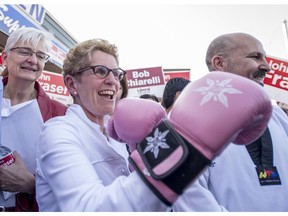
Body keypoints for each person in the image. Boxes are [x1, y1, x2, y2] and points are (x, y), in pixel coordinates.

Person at [35, 37, 272, 212]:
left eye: (117, 74)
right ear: (71, 83)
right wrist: (185, 147)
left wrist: (149, 148)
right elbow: (88, 209)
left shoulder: (119, 132)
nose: (113, 81)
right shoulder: (58, 132)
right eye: (100, 71)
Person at [173, 32, 288, 212]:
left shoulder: (277, 115)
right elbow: (190, 197)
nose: (267, 67)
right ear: (220, 63)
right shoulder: (185, 121)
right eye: (256, 57)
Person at [0, 27, 67, 212]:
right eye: (24, 52)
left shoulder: (59, 113)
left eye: (40, 56)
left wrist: (32, 185)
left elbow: (70, 184)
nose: (32, 60)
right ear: (5, 57)